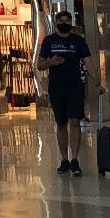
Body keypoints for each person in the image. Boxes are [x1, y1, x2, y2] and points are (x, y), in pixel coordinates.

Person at [35, 13, 92, 176]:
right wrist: (51, 62)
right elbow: (39, 66)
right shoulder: (49, 41)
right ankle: (64, 160)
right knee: (61, 123)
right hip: (56, 87)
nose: (64, 23)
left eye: (67, 21)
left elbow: (88, 62)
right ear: (56, 22)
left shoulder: (78, 41)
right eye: (61, 21)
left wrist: (97, 82)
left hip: (75, 86)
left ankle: (75, 159)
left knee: (75, 121)